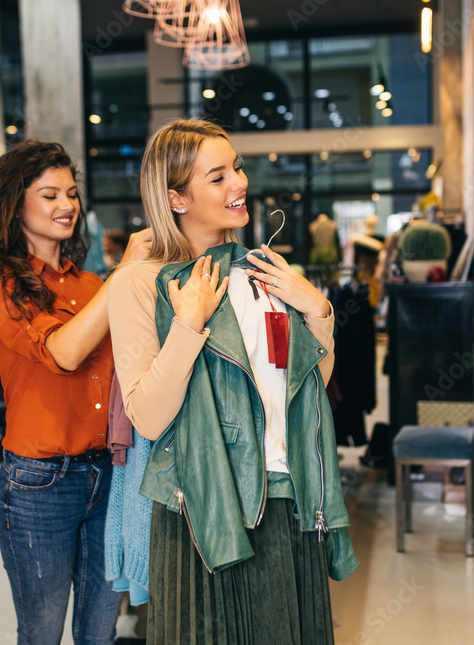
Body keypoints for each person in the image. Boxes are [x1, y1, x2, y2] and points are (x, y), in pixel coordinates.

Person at [107, 119, 359, 644]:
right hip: (203, 508)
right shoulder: (140, 282)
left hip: (285, 495)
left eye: (237, 168)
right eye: (217, 176)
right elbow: (149, 417)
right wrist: (188, 323)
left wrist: (318, 312)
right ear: (176, 198)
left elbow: (309, 388)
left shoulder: (261, 269)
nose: (239, 183)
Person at [0, 140, 152, 645]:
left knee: (99, 634)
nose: (66, 205)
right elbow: (63, 352)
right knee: (41, 633)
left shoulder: (90, 285)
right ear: (14, 203)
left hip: (110, 473)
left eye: (70, 193)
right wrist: (125, 276)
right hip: (40, 483)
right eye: (49, 195)